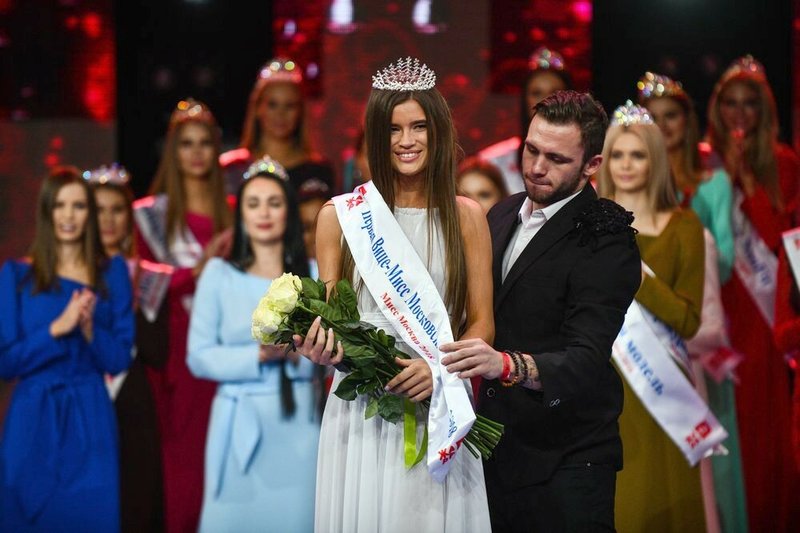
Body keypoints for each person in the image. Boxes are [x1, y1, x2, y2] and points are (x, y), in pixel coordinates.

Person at [293, 57, 494, 532]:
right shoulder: (340, 218)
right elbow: (333, 323)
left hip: (440, 400)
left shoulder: (467, 217)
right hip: (362, 409)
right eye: (393, 129)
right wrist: (317, 345)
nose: (407, 141)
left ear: (438, 131)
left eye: (419, 126)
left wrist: (439, 369)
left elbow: (482, 323)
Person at [440, 91, 641, 531]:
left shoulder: (607, 237)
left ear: (591, 165)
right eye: (531, 150)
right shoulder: (501, 212)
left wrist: (504, 365)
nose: (535, 167)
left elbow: (586, 359)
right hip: (496, 451)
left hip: (569, 461)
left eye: (556, 158)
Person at [639, 72, 747, 532]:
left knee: (708, 454)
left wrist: (679, 251)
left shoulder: (712, 185)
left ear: (687, 121)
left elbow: (725, 262)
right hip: (637, 340)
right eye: (654, 118)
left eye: (672, 116)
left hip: (693, 336)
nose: (664, 126)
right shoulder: (628, 185)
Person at [187, 156, 320, 532]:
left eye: (274, 203)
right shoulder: (218, 275)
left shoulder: (312, 274)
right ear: (240, 213)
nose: (264, 213)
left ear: (288, 212)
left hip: (298, 420)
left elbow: (327, 355)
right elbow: (198, 356)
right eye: (253, 203)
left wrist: (295, 355)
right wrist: (259, 355)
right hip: (236, 420)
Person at [0, 166, 134, 531]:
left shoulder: (111, 273)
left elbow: (119, 359)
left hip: (90, 417)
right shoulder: (17, 275)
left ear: (89, 213)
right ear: (47, 212)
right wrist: (56, 329)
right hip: (33, 419)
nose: (69, 216)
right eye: (59, 205)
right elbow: (6, 362)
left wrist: (90, 331)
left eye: (78, 206)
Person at [595, 102, 708, 531]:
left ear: (655, 160)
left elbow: (689, 320)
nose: (626, 165)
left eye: (638, 155)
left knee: (660, 500)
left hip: (660, 384)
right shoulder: (589, 225)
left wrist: (638, 276)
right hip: (601, 379)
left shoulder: (684, 227)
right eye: (617, 155)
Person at [707, 55, 800, 531]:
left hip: (765, 312)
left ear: (765, 110)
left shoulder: (785, 164)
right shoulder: (702, 163)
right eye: (731, 103)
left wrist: (748, 183)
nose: (739, 113)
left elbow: (785, 242)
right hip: (718, 306)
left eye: (750, 103)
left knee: (764, 420)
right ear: (717, 107)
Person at [134, 98, 233, 533]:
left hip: (227, 350)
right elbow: (137, 281)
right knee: (183, 463)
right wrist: (195, 271)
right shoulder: (149, 216)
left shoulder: (236, 211)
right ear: (172, 152)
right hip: (175, 353)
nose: (195, 152)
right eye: (185, 143)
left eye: (204, 143)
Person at [87, 164, 166, 533]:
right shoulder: (70, 274)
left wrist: (128, 298)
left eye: (116, 210)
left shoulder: (150, 276)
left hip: (133, 396)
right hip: (85, 390)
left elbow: (158, 351)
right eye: (98, 210)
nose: (107, 220)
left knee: (134, 494)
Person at [225, 58, 335, 194]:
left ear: (300, 111)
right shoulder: (232, 168)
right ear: (258, 108)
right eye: (272, 105)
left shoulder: (319, 171)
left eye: (290, 105)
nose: (280, 114)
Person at [478, 47, 573, 194]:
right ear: (524, 100)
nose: (546, 101)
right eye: (536, 93)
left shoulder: (587, 162)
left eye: (555, 93)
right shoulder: (492, 163)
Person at [297, 177, 332, 279]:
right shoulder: (287, 277)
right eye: (306, 228)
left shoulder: (355, 270)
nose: (315, 236)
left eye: (321, 225)